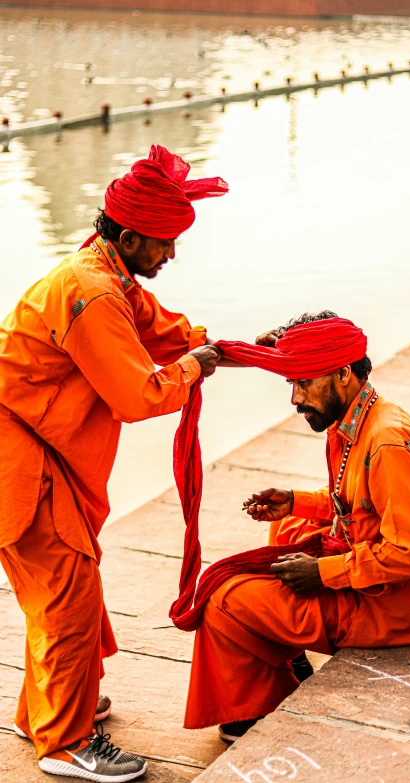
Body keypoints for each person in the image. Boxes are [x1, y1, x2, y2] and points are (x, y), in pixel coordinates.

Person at [0, 145, 229, 781]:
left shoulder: (105, 272)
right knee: (66, 598)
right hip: (19, 458)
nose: (171, 255)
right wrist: (192, 368)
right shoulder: (92, 292)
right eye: (162, 244)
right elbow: (137, 395)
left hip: (33, 448)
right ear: (128, 235)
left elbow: (163, 329)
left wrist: (230, 348)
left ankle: (41, 711)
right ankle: (66, 744)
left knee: (59, 593)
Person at [182, 311, 410, 742]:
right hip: (382, 577)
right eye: (292, 383)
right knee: (289, 524)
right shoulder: (353, 417)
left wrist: (325, 574)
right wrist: (294, 502)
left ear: (344, 373)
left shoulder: (386, 442)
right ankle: (288, 652)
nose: (295, 398)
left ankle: (255, 712)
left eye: (304, 382)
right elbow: (357, 505)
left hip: (401, 608)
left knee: (223, 598)